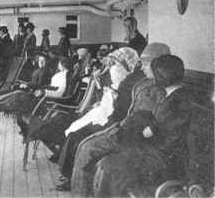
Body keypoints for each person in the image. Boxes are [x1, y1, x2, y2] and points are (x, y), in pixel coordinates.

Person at [68, 44, 172, 196]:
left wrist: (118, 130)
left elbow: (147, 122)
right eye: (142, 63)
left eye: (147, 64)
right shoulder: (144, 82)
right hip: (126, 130)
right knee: (85, 146)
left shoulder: (157, 88)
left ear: (161, 66)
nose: (142, 67)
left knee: (87, 149)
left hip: (134, 139)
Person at [92, 54, 191, 197]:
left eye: (154, 73)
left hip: (166, 158)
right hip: (158, 150)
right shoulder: (173, 94)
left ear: (162, 75)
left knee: (111, 165)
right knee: (109, 162)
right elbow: (161, 126)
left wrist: (144, 137)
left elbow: (169, 138)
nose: (152, 77)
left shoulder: (178, 100)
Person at [53, 47, 144, 191]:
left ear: (127, 64)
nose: (114, 67)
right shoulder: (125, 77)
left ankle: (72, 178)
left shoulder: (133, 82)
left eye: (117, 64)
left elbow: (124, 110)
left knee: (79, 138)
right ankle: (69, 173)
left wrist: (113, 97)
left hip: (116, 122)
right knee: (75, 133)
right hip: (108, 115)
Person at [0, 57, 71, 135]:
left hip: (45, 100)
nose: (40, 62)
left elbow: (58, 92)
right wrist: (40, 89)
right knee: (17, 94)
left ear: (62, 65)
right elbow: (51, 87)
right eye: (40, 60)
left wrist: (43, 92)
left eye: (43, 61)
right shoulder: (60, 74)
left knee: (18, 96)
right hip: (40, 95)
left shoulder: (63, 77)